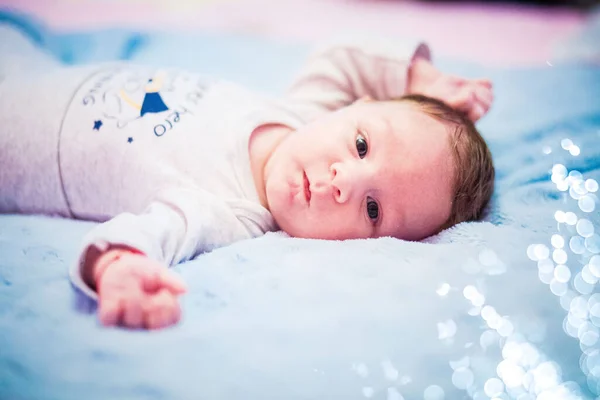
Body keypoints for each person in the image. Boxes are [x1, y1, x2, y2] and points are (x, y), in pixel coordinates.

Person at [0, 29, 495, 330]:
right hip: (37, 68)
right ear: (356, 106)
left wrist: (118, 266)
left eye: (372, 209)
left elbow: (154, 230)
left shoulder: (229, 212)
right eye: (362, 145)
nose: (344, 180)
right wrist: (419, 76)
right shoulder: (305, 109)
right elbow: (341, 55)